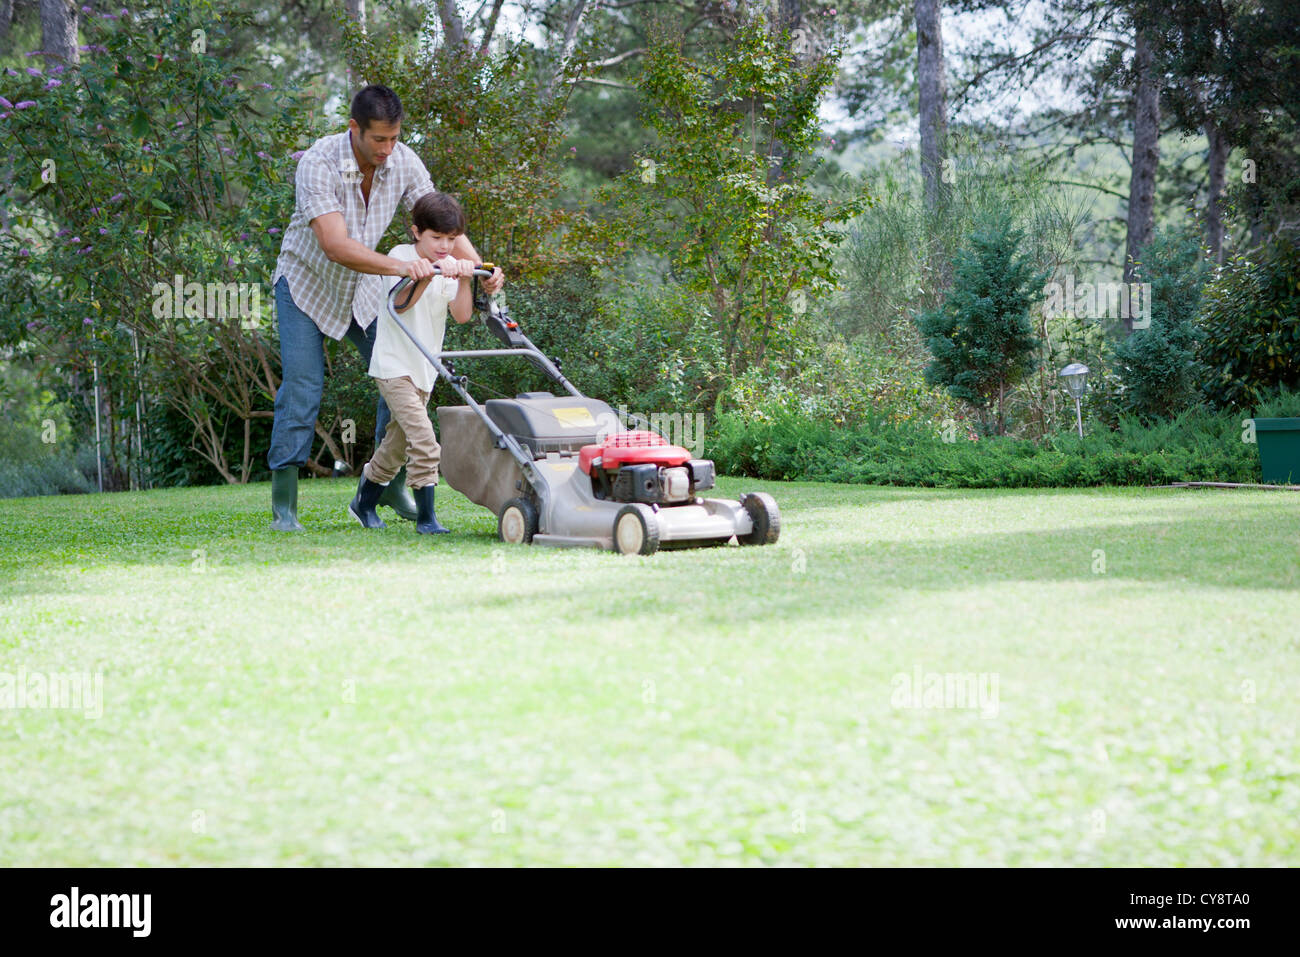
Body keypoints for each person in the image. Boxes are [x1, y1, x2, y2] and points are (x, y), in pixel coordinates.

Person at [266, 84, 504, 531]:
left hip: (363, 289)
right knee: (303, 387)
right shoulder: (319, 164)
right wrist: (403, 266)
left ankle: (388, 486)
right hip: (305, 286)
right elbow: (335, 246)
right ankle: (285, 505)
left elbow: (441, 222)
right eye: (378, 139)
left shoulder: (403, 160)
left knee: (403, 376)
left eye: (394, 138)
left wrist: (479, 268)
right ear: (354, 128)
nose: (387, 149)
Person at [348, 192, 476, 534]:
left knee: (396, 445)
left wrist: (464, 276)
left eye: (451, 239)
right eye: (437, 238)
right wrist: (428, 274)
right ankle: (427, 519)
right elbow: (401, 304)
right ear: (417, 232)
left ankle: (362, 502)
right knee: (424, 440)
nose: (445, 246)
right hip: (393, 367)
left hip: (423, 370)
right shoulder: (400, 257)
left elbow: (461, 315)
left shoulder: (446, 265)